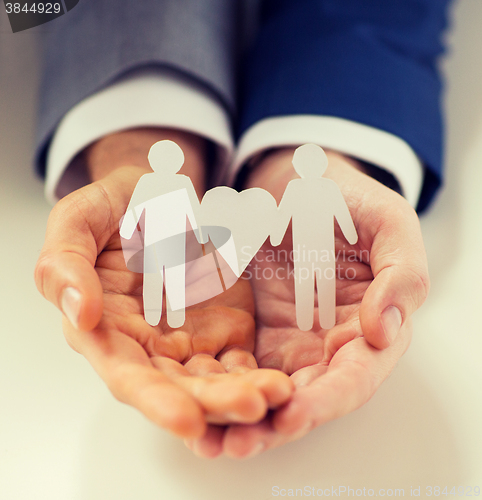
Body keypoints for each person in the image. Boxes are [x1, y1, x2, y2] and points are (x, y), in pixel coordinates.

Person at [34, 0, 448, 458]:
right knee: (166, 288)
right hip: (173, 243)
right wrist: (135, 146)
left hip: (295, 246)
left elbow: (311, 209)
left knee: (308, 288)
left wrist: (311, 176)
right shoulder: (154, 187)